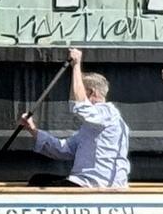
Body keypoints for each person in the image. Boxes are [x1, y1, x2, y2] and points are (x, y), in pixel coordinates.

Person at [22, 47, 130, 189]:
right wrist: (32, 130)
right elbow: (64, 149)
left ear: (91, 92)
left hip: (97, 185)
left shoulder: (108, 114)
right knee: (38, 179)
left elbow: (80, 106)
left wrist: (76, 65)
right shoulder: (91, 126)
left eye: (77, 90)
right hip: (83, 182)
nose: (72, 95)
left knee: (38, 184)